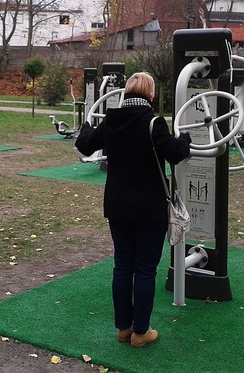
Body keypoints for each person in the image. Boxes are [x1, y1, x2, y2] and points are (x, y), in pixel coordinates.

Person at [75, 72, 191, 348]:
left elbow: (84, 144)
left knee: (123, 266)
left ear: (126, 93)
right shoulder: (154, 123)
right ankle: (141, 331)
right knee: (145, 269)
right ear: (150, 95)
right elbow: (175, 153)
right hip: (149, 209)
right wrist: (185, 139)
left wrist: (87, 126)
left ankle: (123, 328)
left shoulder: (111, 120)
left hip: (117, 206)